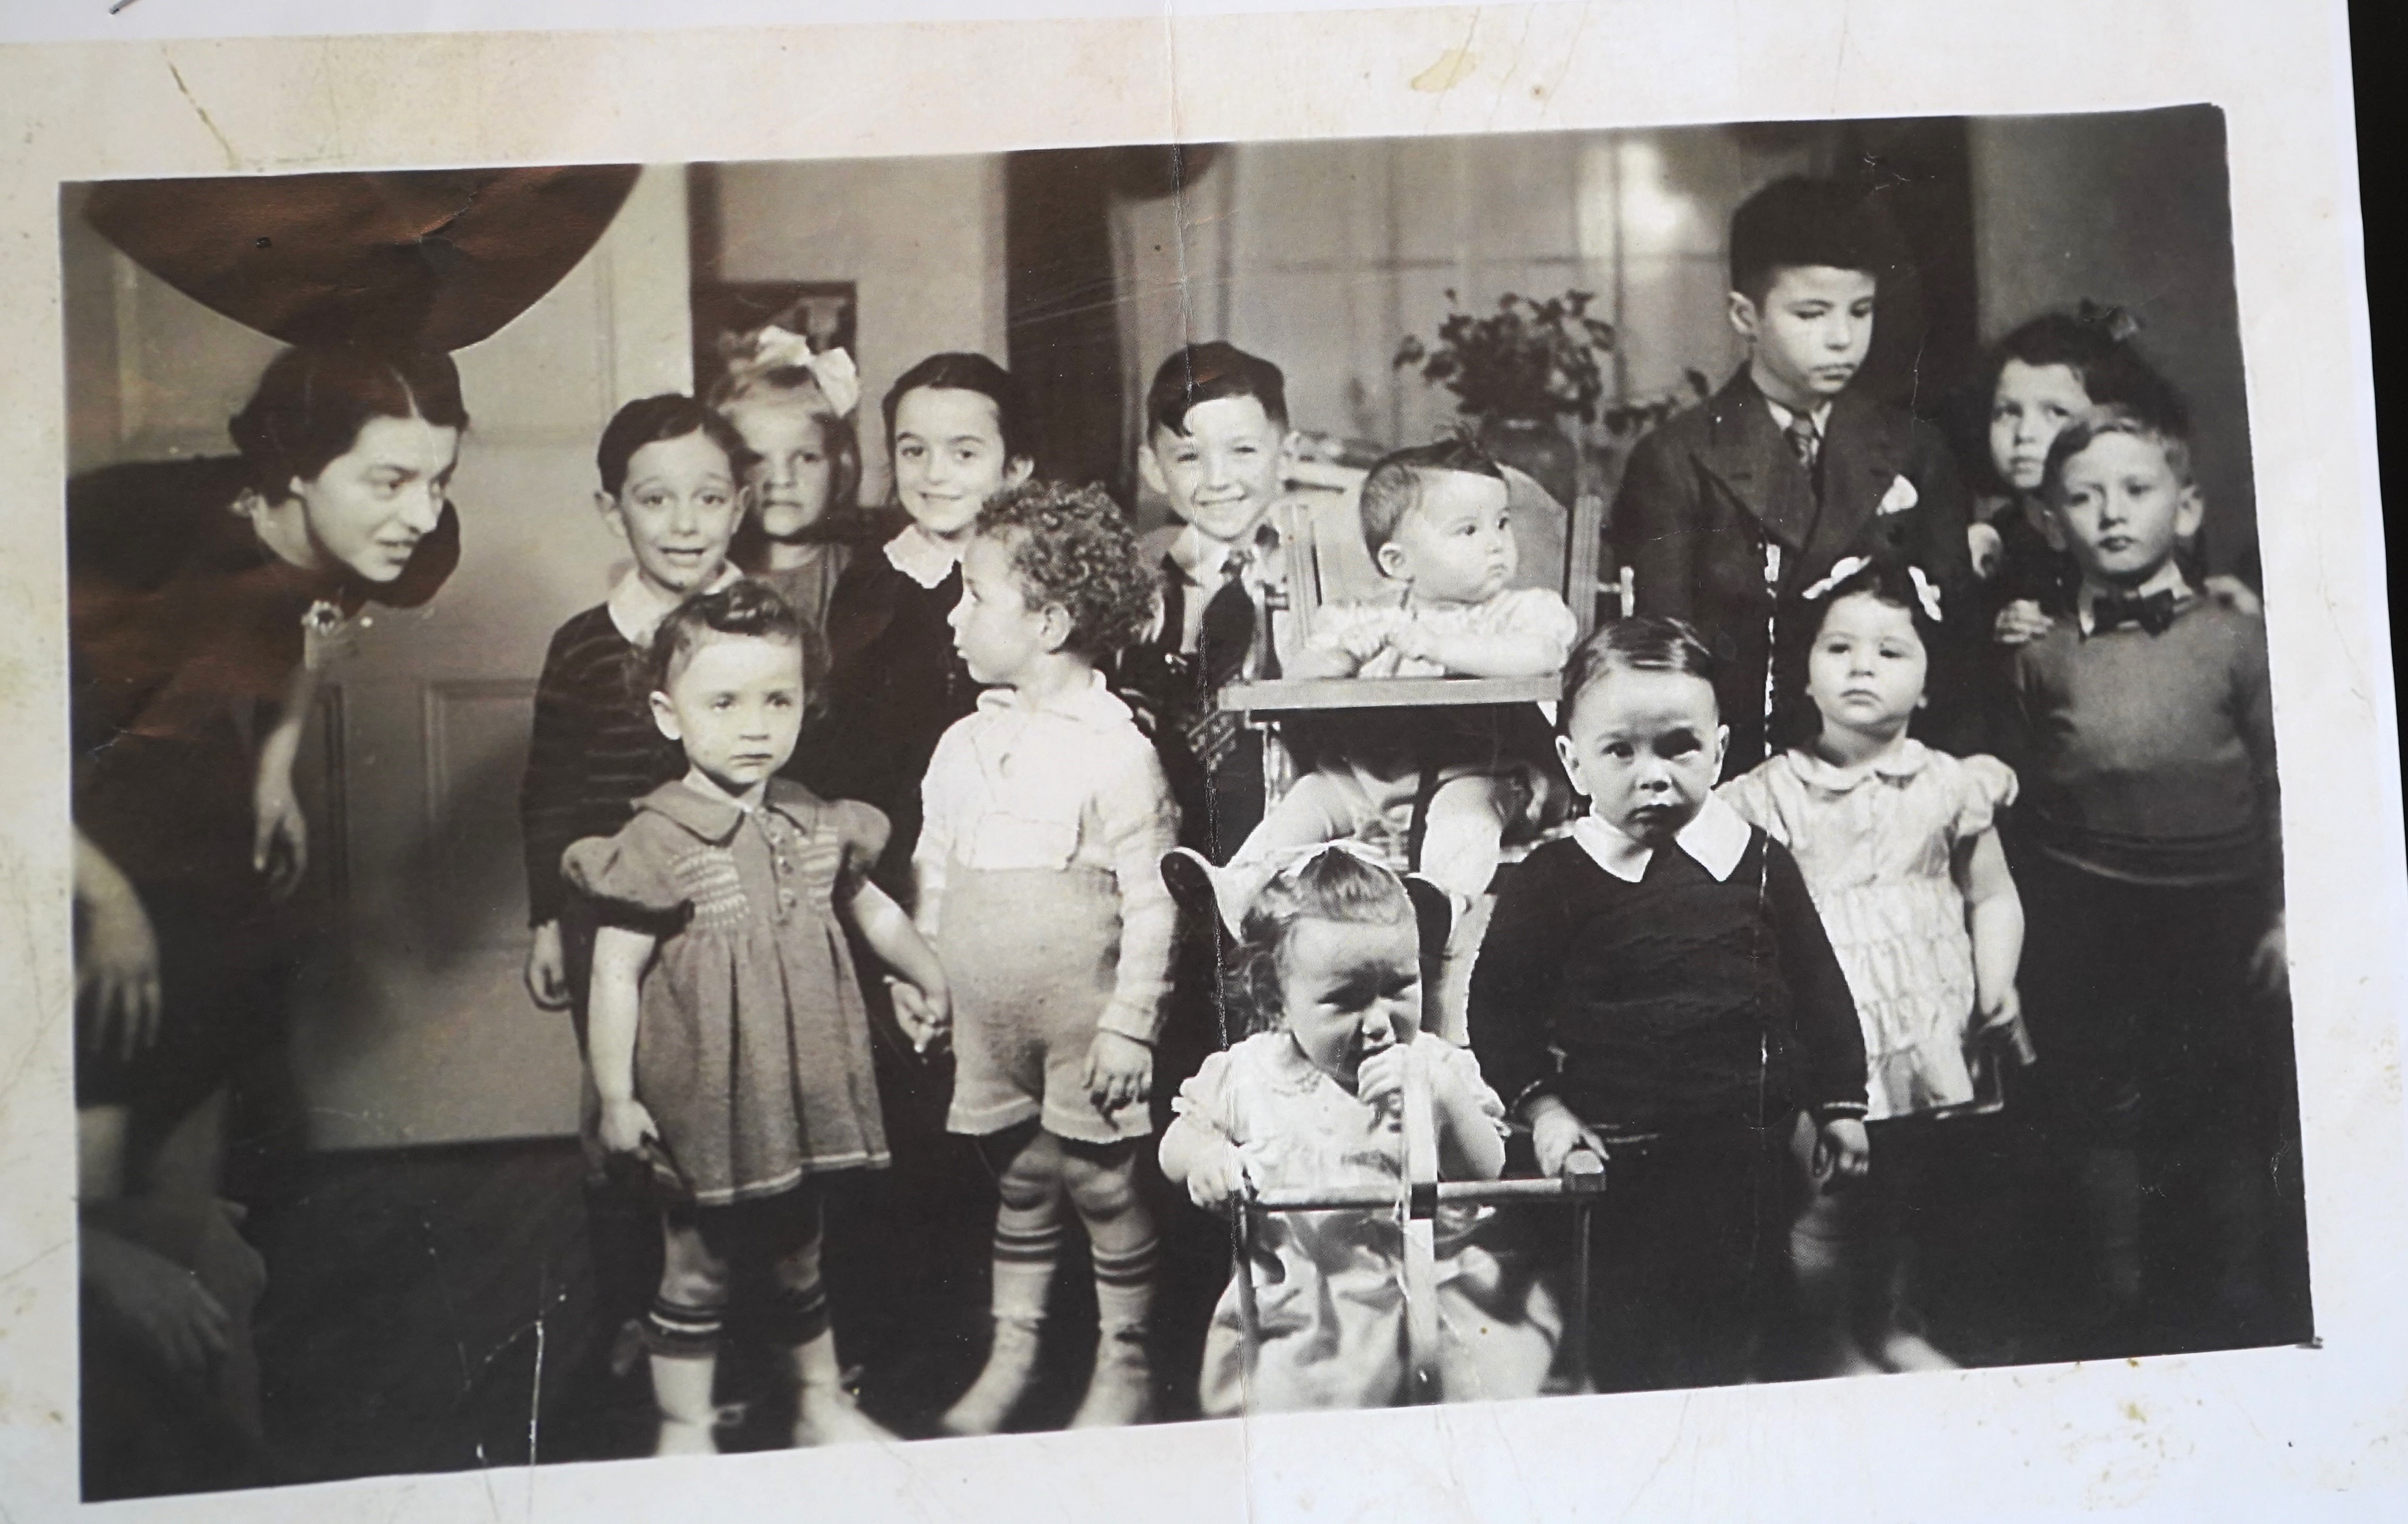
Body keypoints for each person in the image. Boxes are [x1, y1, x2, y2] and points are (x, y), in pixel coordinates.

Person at [70, 341, 468, 1487]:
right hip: (65, 847)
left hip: (188, 835)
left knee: (202, 1191)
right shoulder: (141, 551)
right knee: (114, 1198)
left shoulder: (385, 537)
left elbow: (310, 623)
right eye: (391, 479)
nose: (422, 513)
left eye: (439, 478)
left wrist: (273, 769)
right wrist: (104, 900)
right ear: (293, 467)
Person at [565, 580, 950, 1455]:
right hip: (707, 1096)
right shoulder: (654, 841)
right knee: (698, 1264)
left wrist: (929, 974)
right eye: (724, 703)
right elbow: (615, 974)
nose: (754, 726)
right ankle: (684, 1428)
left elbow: (874, 911)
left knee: (799, 1249)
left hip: (801, 1085)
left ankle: (819, 1402)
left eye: (778, 700)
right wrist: (616, 1096)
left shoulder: (816, 820)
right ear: (667, 715)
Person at [1467, 617, 1869, 1392]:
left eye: (1678, 747)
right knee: (1633, 1348)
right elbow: (1497, 1012)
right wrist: (1546, 1111)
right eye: (1620, 751)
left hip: (1750, 1155)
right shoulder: (1553, 879)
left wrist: (1842, 1103)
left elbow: (1819, 987)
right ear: (1572, 760)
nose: (1652, 775)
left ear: (1718, 750)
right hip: (1620, 1160)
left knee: (1751, 1333)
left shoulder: (1757, 860)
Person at [2003, 407, 2288, 1356]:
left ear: (2187, 506)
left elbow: (2282, 781)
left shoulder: (2237, 639)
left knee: (2226, 1099)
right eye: (2083, 498)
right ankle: (2112, 1306)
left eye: (2135, 490)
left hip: (2219, 911)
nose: (2112, 513)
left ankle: (2243, 1299)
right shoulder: (2037, 652)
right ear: (2050, 523)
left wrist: (2283, 916)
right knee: (2102, 1103)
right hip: (2088, 911)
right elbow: (2020, 793)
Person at [1717, 555, 2028, 1376]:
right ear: (1803, 673)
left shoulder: (1949, 784)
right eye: (1839, 648)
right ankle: (1825, 1345)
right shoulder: (1767, 795)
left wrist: (1996, 980)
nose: (1862, 666)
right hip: (1824, 1026)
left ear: (1926, 682)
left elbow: (1992, 896)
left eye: (1890, 652)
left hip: (1923, 1018)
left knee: (1900, 1190)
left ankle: (1887, 1324)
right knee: (1827, 1189)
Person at [915, 482, 1179, 1434]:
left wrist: (1130, 1026)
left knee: (1101, 1184)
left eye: (975, 596)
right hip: (987, 1023)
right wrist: (925, 977)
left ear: (1051, 623)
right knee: (1020, 1181)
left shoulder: (1116, 751)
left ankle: (1126, 1359)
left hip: (1084, 1027)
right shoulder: (962, 744)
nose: (954, 616)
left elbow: (1152, 900)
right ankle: (1013, 1352)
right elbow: (935, 870)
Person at [516, 394, 748, 1385]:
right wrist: (545, 918)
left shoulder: (767, 630)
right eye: (656, 500)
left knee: (736, 1106)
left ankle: (739, 1319)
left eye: (708, 498)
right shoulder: (583, 644)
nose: (685, 524)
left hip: (730, 918)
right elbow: (550, 792)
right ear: (612, 511)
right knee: (620, 1118)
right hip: (607, 926)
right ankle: (631, 1312)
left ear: (740, 506)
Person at [1160, 844, 1559, 1413]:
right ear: (1277, 1001)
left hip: (1441, 1286)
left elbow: (1488, 1169)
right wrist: (1208, 1158)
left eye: (1399, 988)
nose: (1378, 1023)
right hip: (1312, 1302)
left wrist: (1442, 1098)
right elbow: (1178, 1141)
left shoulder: (1437, 1065)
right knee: (1296, 1404)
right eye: (1345, 1001)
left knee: (1484, 1396)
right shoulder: (1252, 1074)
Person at [1608, 175, 1974, 775]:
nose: (1842, 338)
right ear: (1745, 315)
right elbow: (1665, 664)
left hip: (1890, 767)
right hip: (1739, 765)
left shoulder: (1917, 450)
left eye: (1861, 311)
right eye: (1811, 313)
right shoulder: (1675, 459)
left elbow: (1957, 643)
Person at [808, 352, 1036, 897]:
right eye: (914, 451)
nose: (935, 474)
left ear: (1016, 468)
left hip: (1017, 835)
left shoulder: (1040, 578)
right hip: (899, 844)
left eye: (964, 453)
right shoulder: (873, 580)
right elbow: (853, 733)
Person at [1965, 305, 2261, 650]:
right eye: (2008, 413)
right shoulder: (1999, 538)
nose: (2025, 434)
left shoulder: (2144, 523)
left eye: (2056, 412)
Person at [1117, 341, 1300, 863]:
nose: (1218, 480)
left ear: (1288, 455)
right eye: (1189, 457)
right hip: (1172, 836)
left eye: (1243, 451)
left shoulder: (1320, 570)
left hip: (1299, 826)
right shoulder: (1138, 578)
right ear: (1153, 468)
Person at [712, 326, 868, 654]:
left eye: (807, 458)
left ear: (839, 467)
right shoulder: (713, 576)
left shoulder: (865, 575)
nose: (782, 479)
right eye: (757, 459)